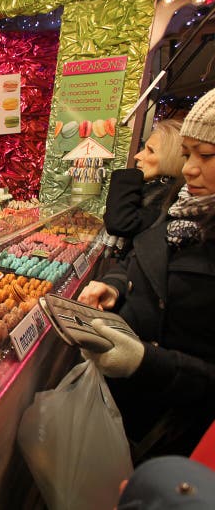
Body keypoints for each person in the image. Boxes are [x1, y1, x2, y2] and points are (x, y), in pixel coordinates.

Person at [77, 87, 215, 461]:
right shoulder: (181, 208)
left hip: (175, 432)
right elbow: (141, 257)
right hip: (128, 407)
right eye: (187, 154)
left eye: (206, 155)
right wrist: (114, 285)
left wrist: (144, 361)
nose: (189, 169)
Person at [104, 119, 185, 257]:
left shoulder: (167, 197)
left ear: (172, 159)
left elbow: (120, 223)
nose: (137, 156)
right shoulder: (154, 187)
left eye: (151, 151)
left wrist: (127, 177)